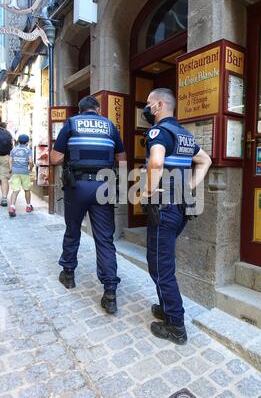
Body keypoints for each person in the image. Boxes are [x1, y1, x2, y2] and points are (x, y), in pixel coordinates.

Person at [141, 88, 212, 345]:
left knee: (161, 268)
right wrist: (189, 186)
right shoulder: (183, 134)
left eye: (149, 104)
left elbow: (156, 163)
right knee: (160, 261)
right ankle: (166, 307)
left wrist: (148, 192)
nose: (146, 109)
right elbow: (205, 161)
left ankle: (176, 326)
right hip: (180, 207)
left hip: (164, 207)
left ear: (159, 105)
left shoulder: (158, 132)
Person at [50, 95, 126, 314]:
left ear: (81, 110)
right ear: (98, 109)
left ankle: (68, 275)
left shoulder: (72, 123)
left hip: (77, 186)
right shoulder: (110, 126)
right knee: (104, 239)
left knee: (73, 230)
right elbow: (122, 159)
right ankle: (110, 292)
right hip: (103, 186)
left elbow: (55, 158)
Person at [8, 134, 34, 217]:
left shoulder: (14, 150)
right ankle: (28, 206)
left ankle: (12, 207)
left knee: (15, 190)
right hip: (24, 172)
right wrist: (30, 168)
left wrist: (11, 169)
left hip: (15, 172)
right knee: (27, 189)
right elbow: (30, 161)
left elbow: (10, 160)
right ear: (27, 142)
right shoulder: (28, 150)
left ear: (18, 141)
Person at [0, 120, 13, 207]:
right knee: (4, 178)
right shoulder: (7, 132)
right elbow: (11, 146)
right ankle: (4, 198)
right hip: (5, 157)